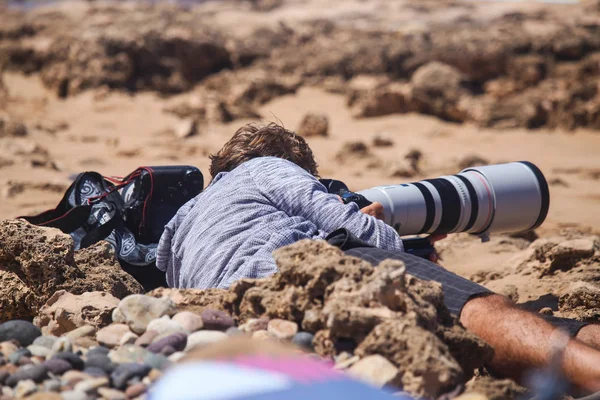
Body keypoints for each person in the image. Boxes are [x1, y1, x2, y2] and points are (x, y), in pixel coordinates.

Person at [157, 122, 600, 391]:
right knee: (480, 311)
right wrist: (377, 221)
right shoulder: (267, 166)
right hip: (308, 270)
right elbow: (368, 239)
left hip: (249, 321)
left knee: (544, 330)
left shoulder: (179, 223)